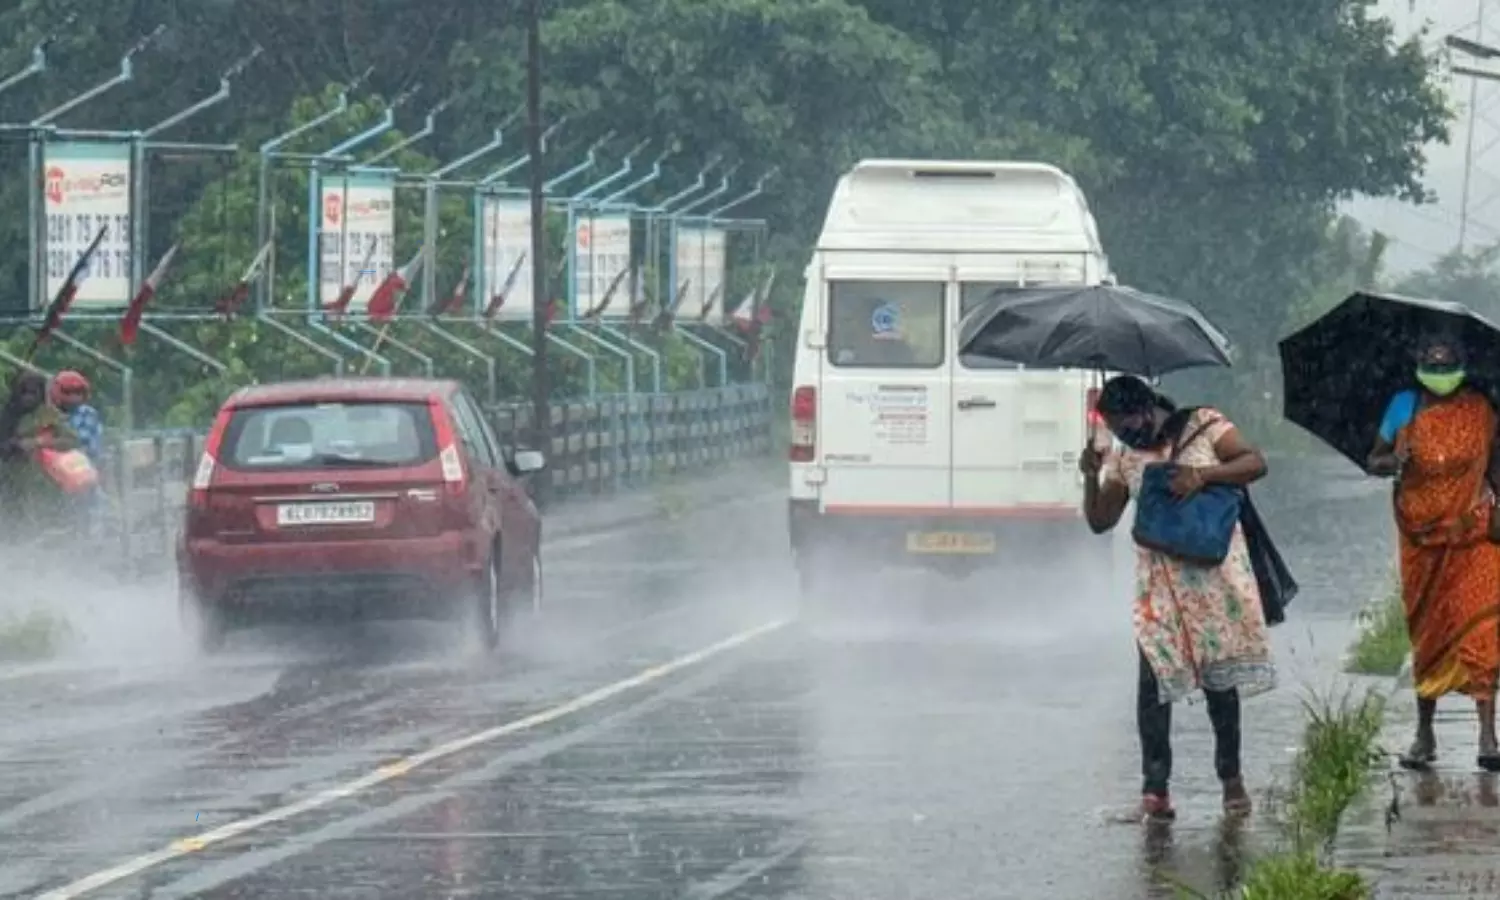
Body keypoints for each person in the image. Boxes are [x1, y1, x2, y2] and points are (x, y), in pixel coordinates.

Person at [1079, 374, 1275, 821]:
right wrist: (1091, 477)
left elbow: (1254, 462)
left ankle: (1231, 780)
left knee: (1220, 685)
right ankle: (1155, 792)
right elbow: (1100, 521)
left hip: (1212, 582)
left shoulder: (1206, 426)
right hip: (1159, 590)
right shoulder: (1129, 459)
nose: (1127, 433)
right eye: (1116, 427)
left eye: (1129, 422)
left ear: (1149, 408)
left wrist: (1202, 476)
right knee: (1153, 686)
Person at [1367, 334, 1500, 772]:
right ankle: (1425, 734)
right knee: (1429, 632)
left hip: (1474, 534)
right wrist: (1396, 459)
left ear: (1464, 367)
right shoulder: (1403, 406)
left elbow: (1495, 464)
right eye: (1432, 366)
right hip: (1421, 540)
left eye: (1448, 367)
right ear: (1418, 366)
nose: (1440, 375)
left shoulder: (1481, 409)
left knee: (1482, 629)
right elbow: (1375, 459)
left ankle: (1488, 736)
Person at [0, 370, 83, 535]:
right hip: (10, 479)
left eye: (33, 392)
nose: (27, 397)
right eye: (23, 392)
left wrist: (37, 442)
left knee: (42, 528)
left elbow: (72, 440)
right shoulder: (7, 414)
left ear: (41, 394)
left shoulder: (49, 415)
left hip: (42, 481)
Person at [50, 370, 102, 465]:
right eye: (67, 392)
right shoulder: (52, 412)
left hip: (86, 460)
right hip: (57, 460)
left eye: (78, 392)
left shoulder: (88, 413)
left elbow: (81, 441)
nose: (73, 397)